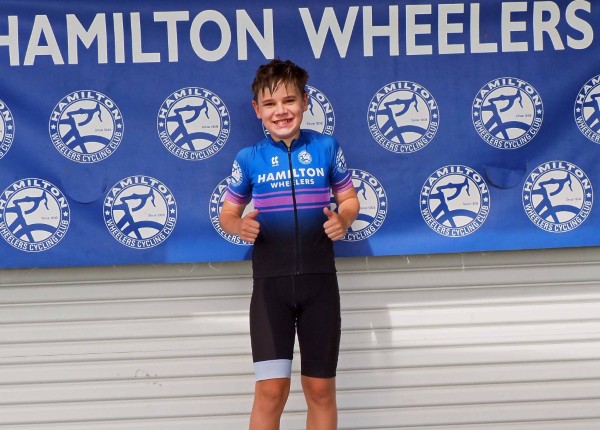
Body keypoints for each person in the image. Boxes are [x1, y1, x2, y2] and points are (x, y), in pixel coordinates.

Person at [219, 59, 359, 430]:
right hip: (271, 289)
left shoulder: (326, 147)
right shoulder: (249, 158)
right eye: (270, 104)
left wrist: (344, 219)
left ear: (305, 101)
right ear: (257, 109)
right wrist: (239, 225)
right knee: (270, 392)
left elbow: (349, 199)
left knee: (320, 391)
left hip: (319, 285)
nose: (280, 111)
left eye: (289, 100)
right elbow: (227, 213)